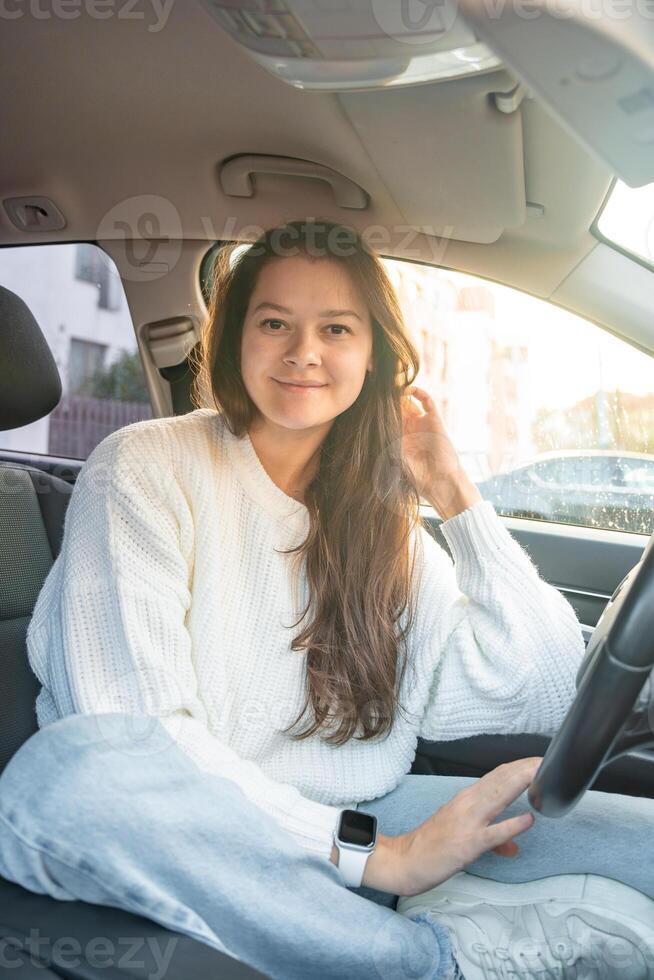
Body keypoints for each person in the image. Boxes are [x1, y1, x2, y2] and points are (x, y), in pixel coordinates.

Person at [0, 219, 652, 980]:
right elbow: (131, 733)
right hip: (188, 834)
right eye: (273, 322)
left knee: (639, 841)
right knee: (73, 773)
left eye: (335, 328)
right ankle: (440, 960)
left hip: (356, 822)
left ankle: (405, 912)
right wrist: (381, 858)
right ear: (234, 338)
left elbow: (539, 690)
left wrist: (453, 492)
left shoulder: (386, 528)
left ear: (375, 354)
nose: (303, 351)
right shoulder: (145, 467)